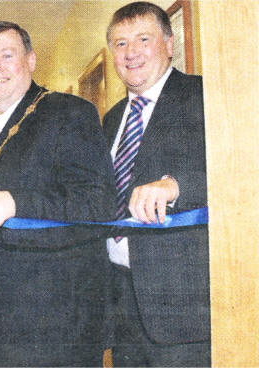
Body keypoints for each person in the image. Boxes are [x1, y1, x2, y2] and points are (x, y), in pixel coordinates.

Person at [0, 21, 116, 366]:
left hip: (52, 331)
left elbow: (97, 205)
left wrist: (17, 203)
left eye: (7, 55)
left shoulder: (69, 113)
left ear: (31, 60)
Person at [103, 2, 210, 366]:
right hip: (120, 306)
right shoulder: (112, 118)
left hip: (182, 314)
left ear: (169, 44)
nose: (131, 52)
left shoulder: (205, 97)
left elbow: (243, 174)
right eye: (120, 44)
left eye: (143, 39)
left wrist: (176, 186)